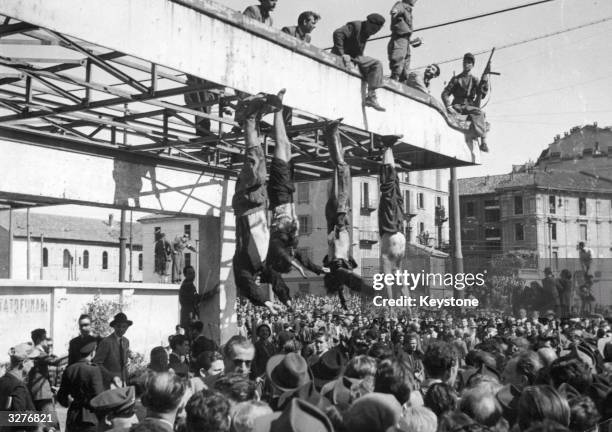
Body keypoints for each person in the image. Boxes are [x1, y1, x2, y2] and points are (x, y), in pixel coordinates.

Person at [232, 92, 290, 314]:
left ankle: (248, 118)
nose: (257, 277)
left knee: (256, 169)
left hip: (246, 207)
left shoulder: (243, 266)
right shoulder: (264, 265)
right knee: (260, 166)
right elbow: (276, 281)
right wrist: (286, 300)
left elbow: (247, 285)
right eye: (259, 278)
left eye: (256, 278)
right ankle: (252, 118)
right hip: (259, 205)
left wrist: (263, 301)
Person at [264, 89, 325, 284]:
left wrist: (298, 269)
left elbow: (290, 258)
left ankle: (276, 107)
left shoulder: (276, 245)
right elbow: (304, 259)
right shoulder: (288, 247)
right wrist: (320, 269)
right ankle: (278, 109)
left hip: (279, 193)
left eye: (289, 259)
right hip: (287, 194)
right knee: (287, 146)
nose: (293, 256)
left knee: (283, 144)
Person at [321, 119, 368, 309]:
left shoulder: (339, 262)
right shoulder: (334, 262)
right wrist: (344, 303)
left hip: (339, 216)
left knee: (341, 169)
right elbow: (340, 283)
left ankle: (332, 134)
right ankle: (334, 138)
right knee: (338, 169)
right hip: (335, 217)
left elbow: (344, 278)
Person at [332, 14, 387, 111]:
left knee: (375, 65)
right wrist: (342, 54)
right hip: (343, 56)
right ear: (368, 23)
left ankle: (371, 96)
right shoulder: (355, 26)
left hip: (354, 58)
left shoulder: (366, 32)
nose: (374, 32)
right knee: (376, 63)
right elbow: (338, 33)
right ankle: (371, 96)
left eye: (377, 31)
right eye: (373, 29)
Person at [441, 52, 490, 152]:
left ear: (472, 65)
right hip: (457, 106)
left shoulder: (475, 80)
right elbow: (445, 94)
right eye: (465, 62)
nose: (466, 64)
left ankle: (483, 142)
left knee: (480, 113)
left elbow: (482, 94)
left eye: (469, 62)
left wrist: (484, 82)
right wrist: (449, 107)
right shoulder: (456, 79)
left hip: (469, 107)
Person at [377, 137, 407, 283]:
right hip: (399, 223)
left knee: (388, 189)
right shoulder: (399, 260)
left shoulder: (387, 259)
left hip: (389, 224)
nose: (396, 273)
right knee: (396, 185)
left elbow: (384, 260)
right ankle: (390, 148)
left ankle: (387, 147)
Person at [58, 341, 105, 432]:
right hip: (90, 418)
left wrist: (71, 402)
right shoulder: (93, 370)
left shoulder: (69, 369)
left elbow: (61, 398)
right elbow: (99, 397)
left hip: (73, 417)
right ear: (92, 353)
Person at [27, 328, 61, 430]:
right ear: (39, 340)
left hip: (36, 395)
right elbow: (55, 361)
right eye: (45, 338)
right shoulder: (37, 353)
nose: (47, 341)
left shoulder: (33, 352)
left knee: (41, 427)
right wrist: (73, 354)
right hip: (42, 396)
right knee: (53, 426)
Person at [93, 312, 133, 389]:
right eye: (118, 326)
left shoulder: (126, 342)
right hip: (109, 384)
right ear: (114, 326)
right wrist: (111, 376)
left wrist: (127, 380)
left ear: (127, 327)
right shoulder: (106, 342)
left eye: (124, 327)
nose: (121, 329)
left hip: (123, 383)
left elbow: (124, 365)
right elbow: (97, 363)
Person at [0, 343, 39, 414]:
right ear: (24, 363)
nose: (33, 365)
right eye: (32, 361)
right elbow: (20, 421)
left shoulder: (2, 380)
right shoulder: (18, 387)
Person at [179, 265, 219, 331]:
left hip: (188, 316)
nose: (193, 275)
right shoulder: (187, 286)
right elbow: (196, 299)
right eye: (190, 273)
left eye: (193, 273)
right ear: (185, 275)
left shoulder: (189, 284)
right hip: (189, 317)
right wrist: (211, 293)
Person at [388, 0, 419, 82]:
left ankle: (402, 82)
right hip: (400, 38)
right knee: (398, 59)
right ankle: (394, 80)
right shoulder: (401, 5)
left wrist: (411, 41)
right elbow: (396, 10)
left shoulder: (408, 9)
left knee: (406, 64)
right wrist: (395, 12)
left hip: (405, 39)